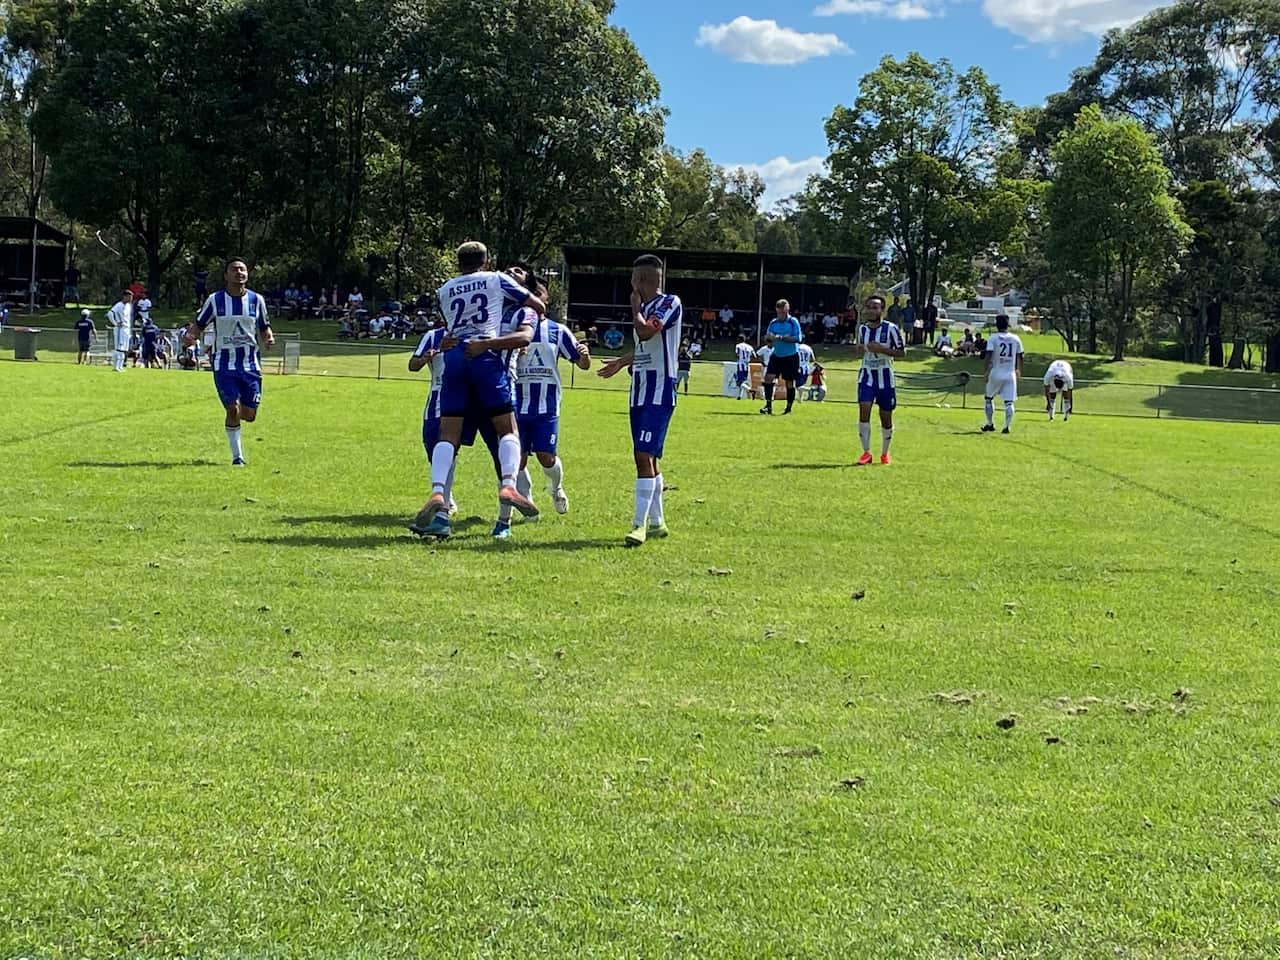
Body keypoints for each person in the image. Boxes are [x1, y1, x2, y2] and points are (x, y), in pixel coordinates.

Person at [411, 241, 544, 537]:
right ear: (486, 261)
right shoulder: (496, 280)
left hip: (456, 361)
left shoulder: (444, 289)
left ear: (458, 263)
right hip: (487, 363)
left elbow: (451, 323)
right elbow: (538, 305)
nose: (511, 273)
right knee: (507, 432)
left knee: (448, 435)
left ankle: (438, 494)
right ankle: (509, 486)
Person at [494, 271, 592, 539]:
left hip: (547, 406)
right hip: (515, 403)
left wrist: (584, 355)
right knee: (518, 460)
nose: (535, 297)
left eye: (540, 293)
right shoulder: (512, 327)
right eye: (531, 292)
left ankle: (556, 487)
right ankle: (525, 498)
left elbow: (582, 364)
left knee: (546, 457)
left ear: (546, 298)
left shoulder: (558, 331)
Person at [597, 253, 682, 547]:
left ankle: (638, 526)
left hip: (660, 390)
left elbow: (646, 332)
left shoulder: (669, 303)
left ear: (640, 280)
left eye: (633, 279)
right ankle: (658, 522)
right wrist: (621, 362)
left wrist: (635, 310)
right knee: (649, 457)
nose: (631, 284)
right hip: (639, 389)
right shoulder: (646, 307)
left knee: (642, 456)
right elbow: (644, 347)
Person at [184, 257, 275, 465]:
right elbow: (199, 324)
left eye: (242, 269)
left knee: (249, 415)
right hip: (223, 364)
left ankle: (239, 416)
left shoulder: (257, 300)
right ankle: (237, 457)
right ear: (226, 276)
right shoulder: (215, 300)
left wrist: (268, 337)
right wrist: (190, 337)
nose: (239, 273)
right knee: (232, 409)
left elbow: (263, 325)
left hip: (250, 365)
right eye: (234, 270)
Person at [854, 294, 905, 466]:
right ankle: (866, 453)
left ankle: (884, 453)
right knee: (864, 409)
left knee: (886, 417)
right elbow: (860, 350)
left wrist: (882, 348)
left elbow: (901, 352)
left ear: (882, 310)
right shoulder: (862, 329)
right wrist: (860, 349)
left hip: (885, 377)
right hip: (866, 375)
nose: (871, 310)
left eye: (875, 307)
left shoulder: (891, 329)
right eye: (869, 307)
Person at [982, 314, 1024, 434]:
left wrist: (985, 371)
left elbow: (988, 355)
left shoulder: (993, 338)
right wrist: (1018, 369)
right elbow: (1020, 356)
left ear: (996, 324)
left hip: (996, 372)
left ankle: (989, 424)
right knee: (1009, 402)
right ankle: (1007, 426)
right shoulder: (1015, 338)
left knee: (989, 398)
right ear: (1008, 324)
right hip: (1010, 374)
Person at [760, 299, 802, 416]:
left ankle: (788, 407)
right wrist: (768, 338)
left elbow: (797, 338)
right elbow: (768, 339)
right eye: (779, 312)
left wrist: (780, 337)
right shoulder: (773, 323)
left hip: (791, 356)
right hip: (777, 355)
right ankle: (768, 405)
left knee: (789, 382)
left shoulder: (793, 322)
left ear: (787, 310)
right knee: (768, 378)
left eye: (783, 312)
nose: (781, 315)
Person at [108, 290, 133, 372]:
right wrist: (115, 323)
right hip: (120, 329)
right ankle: (116, 366)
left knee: (124, 349)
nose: (130, 299)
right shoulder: (119, 305)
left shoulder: (129, 306)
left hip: (126, 329)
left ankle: (120, 366)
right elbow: (110, 313)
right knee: (119, 348)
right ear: (124, 297)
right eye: (129, 297)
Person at [733, 335, 755, 400]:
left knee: (739, 382)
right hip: (747, 365)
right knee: (742, 381)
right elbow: (754, 356)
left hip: (740, 365)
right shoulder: (750, 347)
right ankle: (739, 396)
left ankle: (751, 390)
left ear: (739, 340)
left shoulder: (738, 346)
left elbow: (737, 354)